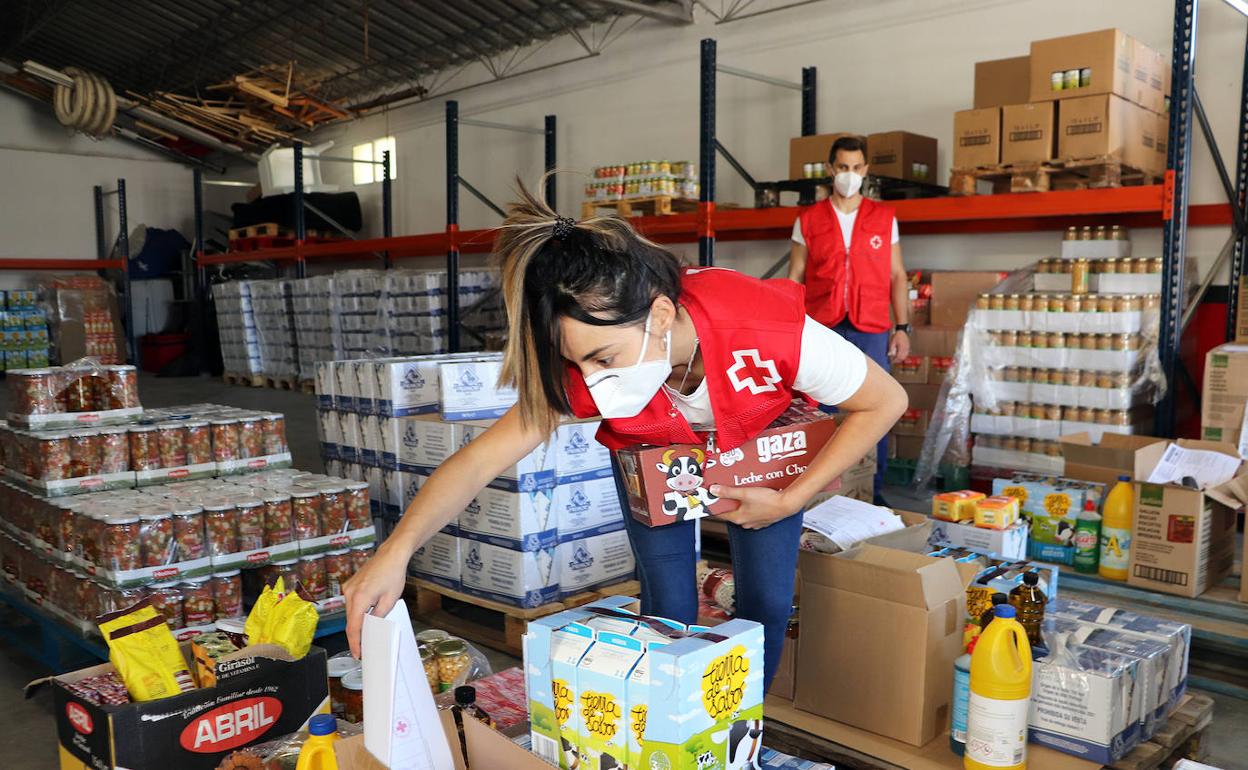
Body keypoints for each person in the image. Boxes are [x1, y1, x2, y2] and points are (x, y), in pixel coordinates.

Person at [345, 179, 907, 689]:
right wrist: (394, 553)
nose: (592, 381)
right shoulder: (592, 371)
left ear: (660, 317)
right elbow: (477, 462)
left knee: (763, 603)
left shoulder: (765, 327)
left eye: (603, 357)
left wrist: (792, 498)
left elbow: (885, 402)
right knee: (667, 606)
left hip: (758, 444)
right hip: (654, 448)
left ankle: (739, 731)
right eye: (580, 363)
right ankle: (673, 722)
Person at [787, 135, 911, 503]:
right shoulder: (808, 219)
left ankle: (871, 490)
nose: (850, 175)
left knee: (877, 407)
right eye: (843, 167)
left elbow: (897, 275)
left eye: (857, 168)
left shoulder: (883, 217)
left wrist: (901, 327)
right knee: (818, 412)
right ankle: (821, 493)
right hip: (820, 325)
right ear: (830, 169)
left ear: (866, 170)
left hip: (870, 326)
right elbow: (795, 275)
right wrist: (789, 326)